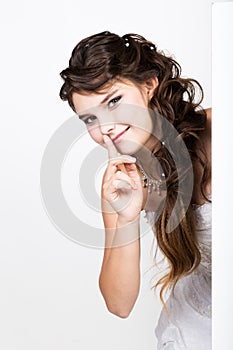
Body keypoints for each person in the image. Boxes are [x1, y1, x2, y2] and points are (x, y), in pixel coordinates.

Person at [59, 31, 211, 349]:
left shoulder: (220, 131)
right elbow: (119, 303)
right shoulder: (120, 183)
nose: (106, 128)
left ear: (148, 85)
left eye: (114, 101)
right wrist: (126, 218)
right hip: (193, 335)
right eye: (90, 118)